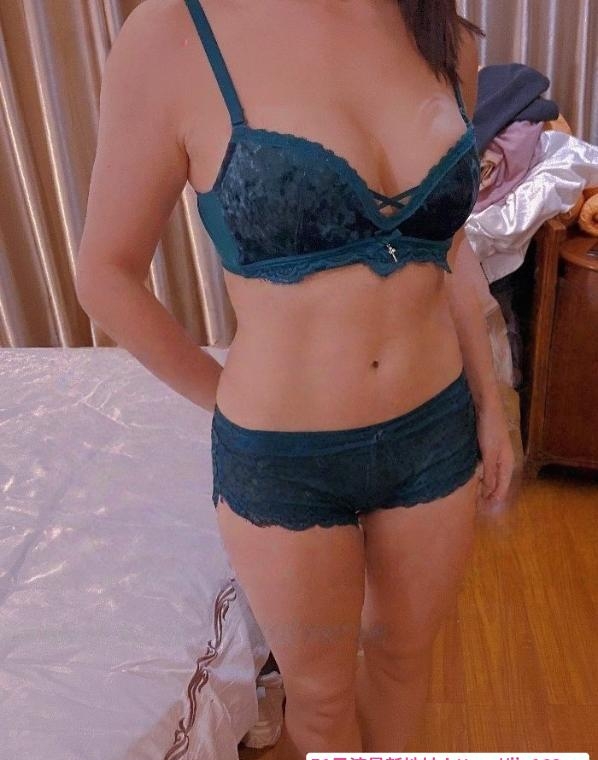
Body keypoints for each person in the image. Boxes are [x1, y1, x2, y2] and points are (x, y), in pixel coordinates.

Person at [75, 0, 515, 757]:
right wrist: (226, 401)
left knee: (404, 666)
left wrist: (490, 403)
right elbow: (104, 275)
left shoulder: (439, 32)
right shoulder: (174, 34)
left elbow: (447, 246)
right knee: (319, 702)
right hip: (285, 462)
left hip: (433, 433)